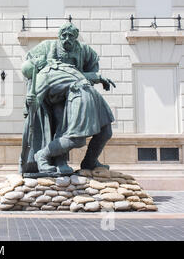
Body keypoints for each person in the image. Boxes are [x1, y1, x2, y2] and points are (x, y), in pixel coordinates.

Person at [19, 23, 116, 174]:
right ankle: (52, 158)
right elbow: (35, 100)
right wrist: (32, 102)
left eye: (70, 36)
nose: (66, 39)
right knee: (66, 129)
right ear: (35, 67)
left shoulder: (71, 58)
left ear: (76, 37)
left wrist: (98, 77)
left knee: (106, 132)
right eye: (63, 36)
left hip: (90, 93)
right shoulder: (44, 74)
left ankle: (90, 161)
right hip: (71, 95)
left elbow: (87, 70)